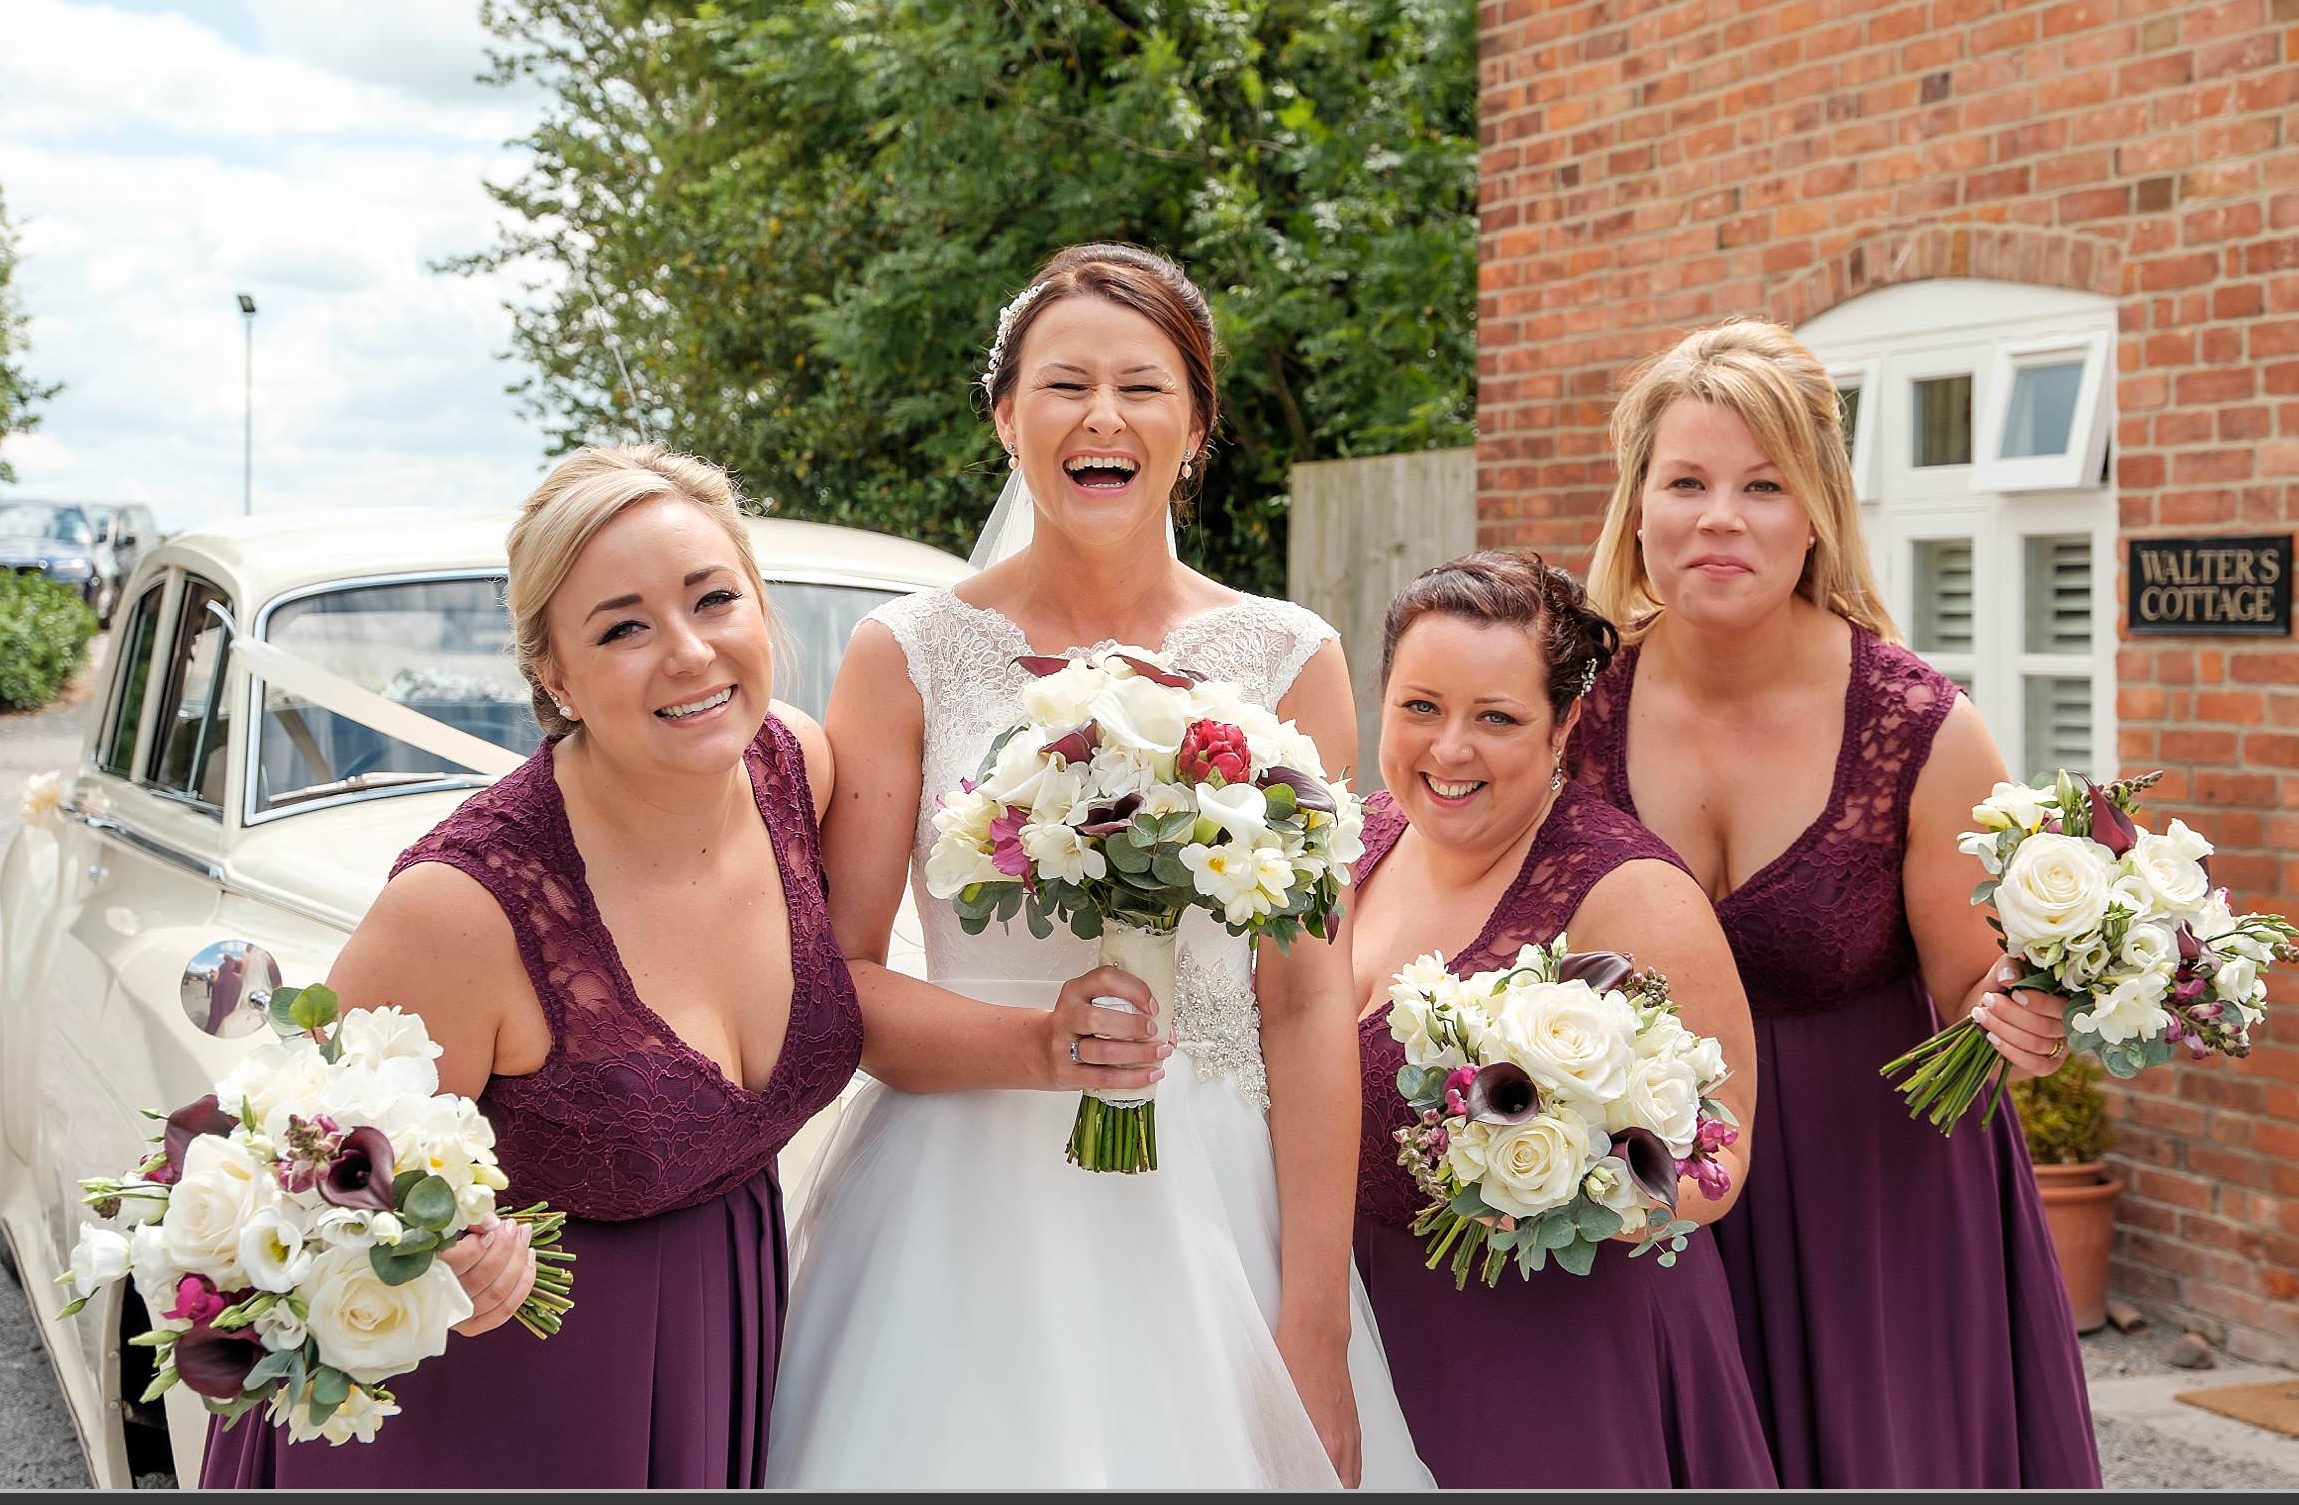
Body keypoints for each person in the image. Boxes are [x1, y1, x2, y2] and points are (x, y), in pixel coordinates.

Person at [769, 242, 1429, 1488]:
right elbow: (842, 985)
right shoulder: (906, 653)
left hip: (1214, 1202)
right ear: (1006, 416)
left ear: (1194, 428)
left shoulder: (1292, 659)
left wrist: (1316, 1325)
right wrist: (1033, 1048)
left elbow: (1303, 1006)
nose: (1103, 416)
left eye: (1144, 385)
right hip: (954, 1212)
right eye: (1064, 384)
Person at [202, 443, 862, 1488]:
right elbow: (285, 1195)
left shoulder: (797, 768)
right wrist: (428, 1256)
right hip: (495, 1409)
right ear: (554, 674)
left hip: (722, 1334)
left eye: (713, 598)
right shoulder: (465, 911)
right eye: (624, 627)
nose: (689, 652)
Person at [1564, 320, 2102, 1487]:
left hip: (1878, 1214)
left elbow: (1977, 989)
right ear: (1638, 505)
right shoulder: (1571, 709)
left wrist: (2024, 1013)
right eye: (1688, 481)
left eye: (1764, 485)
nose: (1722, 517)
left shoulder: (1923, 728)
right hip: (1645, 1202)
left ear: (1816, 511)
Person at [1344, 550, 1772, 1488]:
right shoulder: (1359, 841)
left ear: (1565, 723)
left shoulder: (1630, 893)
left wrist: (1578, 1188)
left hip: (1553, 1357)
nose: (1449, 749)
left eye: (1496, 718)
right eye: (1421, 707)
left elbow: (1719, 1151)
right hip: (1361, 1329)